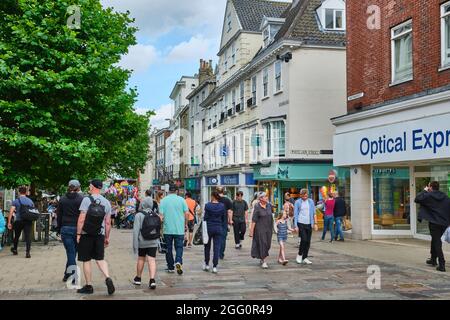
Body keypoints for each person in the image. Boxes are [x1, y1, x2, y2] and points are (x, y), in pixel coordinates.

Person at [76, 180, 115, 295]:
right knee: (100, 259)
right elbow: (108, 223)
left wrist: (78, 234)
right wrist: (107, 237)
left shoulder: (86, 200)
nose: (89, 186)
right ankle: (107, 277)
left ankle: (89, 286)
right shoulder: (107, 202)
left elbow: (81, 219)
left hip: (86, 234)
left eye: (89, 185)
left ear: (92, 187)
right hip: (99, 234)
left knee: (86, 260)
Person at [415, 181, 450, 272]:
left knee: (437, 241)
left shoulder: (429, 195)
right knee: (435, 239)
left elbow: (417, 199)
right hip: (444, 223)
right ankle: (433, 259)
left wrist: (424, 191)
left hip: (434, 222)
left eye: (428, 186)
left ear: (430, 187)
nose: (428, 188)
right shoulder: (444, 196)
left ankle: (441, 263)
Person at [56, 180, 84, 283]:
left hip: (65, 228)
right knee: (72, 253)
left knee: (70, 253)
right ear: (78, 187)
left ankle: (67, 274)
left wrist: (58, 228)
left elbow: (59, 215)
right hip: (77, 229)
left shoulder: (62, 199)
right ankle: (73, 276)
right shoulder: (81, 199)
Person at [159, 184, 189, 275]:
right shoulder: (182, 200)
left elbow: (161, 217)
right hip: (179, 229)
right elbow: (187, 213)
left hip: (167, 229)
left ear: (169, 191)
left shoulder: (163, 201)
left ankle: (170, 266)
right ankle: (178, 261)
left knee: (168, 248)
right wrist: (186, 224)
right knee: (179, 247)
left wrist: (160, 229)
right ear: (177, 191)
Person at [132, 198, 160, 289]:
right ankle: (152, 280)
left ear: (143, 204)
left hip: (142, 241)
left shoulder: (139, 215)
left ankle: (138, 279)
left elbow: (136, 232)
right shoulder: (155, 215)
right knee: (152, 260)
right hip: (153, 241)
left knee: (141, 259)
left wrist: (135, 246)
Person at [203, 192, 227, 273]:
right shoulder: (222, 206)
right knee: (216, 248)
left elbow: (205, 218)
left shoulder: (207, 205)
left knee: (207, 247)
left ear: (213, 197)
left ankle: (206, 264)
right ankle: (215, 266)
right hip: (218, 228)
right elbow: (224, 218)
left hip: (209, 228)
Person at [8, 186, 35, 258]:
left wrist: (9, 222)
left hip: (19, 221)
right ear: (26, 192)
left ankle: (15, 250)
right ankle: (28, 252)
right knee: (28, 236)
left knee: (16, 236)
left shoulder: (16, 201)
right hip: (28, 221)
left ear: (19, 192)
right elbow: (33, 211)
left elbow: (11, 212)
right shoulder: (30, 201)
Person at [249, 192, 274, 269]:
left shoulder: (269, 205)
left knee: (268, 244)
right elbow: (254, 220)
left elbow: (272, 216)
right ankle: (264, 260)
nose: (267, 198)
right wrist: (251, 231)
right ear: (260, 198)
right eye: (265, 197)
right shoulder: (257, 207)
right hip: (260, 229)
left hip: (269, 228)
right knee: (263, 243)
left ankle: (262, 257)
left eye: (267, 196)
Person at [294, 189, 318, 265]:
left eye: (306, 195)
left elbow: (314, 213)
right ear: (300, 195)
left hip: (309, 223)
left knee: (308, 242)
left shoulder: (311, 202)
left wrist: (315, 223)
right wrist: (295, 226)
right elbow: (296, 214)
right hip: (300, 223)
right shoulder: (297, 202)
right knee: (303, 240)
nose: (305, 197)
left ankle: (305, 257)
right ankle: (299, 255)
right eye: (303, 196)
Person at [217, 187, 233, 260]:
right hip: (224, 222)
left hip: (215, 222)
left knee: (216, 238)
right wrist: (230, 220)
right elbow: (229, 211)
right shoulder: (227, 200)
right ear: (223, 191)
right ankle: (221, 254)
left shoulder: (214, 199)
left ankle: (216, 253)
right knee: (223, 238)